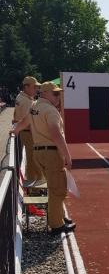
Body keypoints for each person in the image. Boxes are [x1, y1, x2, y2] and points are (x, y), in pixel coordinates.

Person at [12, 81, 76, 235]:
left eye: (58, 93)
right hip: (51, 153)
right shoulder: (51, 110)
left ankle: (59, 216)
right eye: (55, 93)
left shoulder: (34, 106)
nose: (58, 96)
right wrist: (67, 155)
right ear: (45, 94)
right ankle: (56, 225)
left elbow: (24, 122)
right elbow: (56, 133)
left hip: (38, 152)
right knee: (58, 190)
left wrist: (13, 131)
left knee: (53, 186)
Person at [13, 76, 44, 184]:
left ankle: (33, 183)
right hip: (29, 132)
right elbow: (29, 120)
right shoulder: (26, 101)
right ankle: (35, 184)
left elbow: (16, 116)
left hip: (25, 131)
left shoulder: (22, 97)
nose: (37, 89)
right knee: (34, 159)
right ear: (26, 87)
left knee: (31, 159)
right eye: (34, 87)